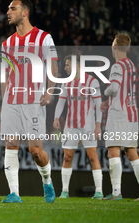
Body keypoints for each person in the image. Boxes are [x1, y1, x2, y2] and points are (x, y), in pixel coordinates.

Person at [0, 0, 57, 203]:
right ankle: (14, 193)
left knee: (35, 150)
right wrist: (4, 101)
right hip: (12, 101)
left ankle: (47, 181)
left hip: (34, 101)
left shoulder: (44, 38)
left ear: (25, 12)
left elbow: (53, 66)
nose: (8, 12)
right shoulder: (7, 43)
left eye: (12, 8)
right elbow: (4, 75)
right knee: (11, 144)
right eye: (8, 9)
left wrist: (50, 90)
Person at [53, 54, 103, 199]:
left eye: (67, 64)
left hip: (88, 125)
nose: (65, 68)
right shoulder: (66, 83)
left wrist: (98, 125)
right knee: (67, 157)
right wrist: (56, 117)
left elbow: (98, 104)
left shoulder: (92, 81)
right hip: (70, 125)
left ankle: (99, 190)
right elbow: (61, 102)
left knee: (93, 156)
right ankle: (64, 191)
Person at [100, 33, 139, 200]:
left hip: (118, 115)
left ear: (114, 47)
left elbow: (114, 89)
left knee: (113, 151)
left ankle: (116, 192)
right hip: (132, 115)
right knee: (132, 153)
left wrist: (105, 92)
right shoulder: (131, 65)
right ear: (128, 48)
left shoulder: (117, 66)